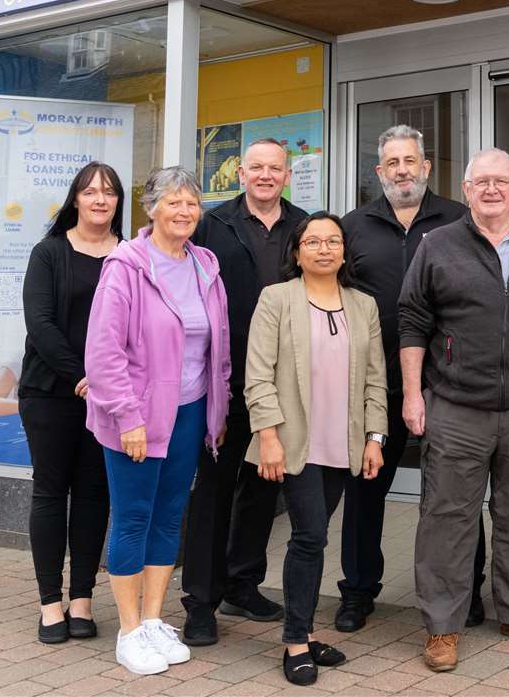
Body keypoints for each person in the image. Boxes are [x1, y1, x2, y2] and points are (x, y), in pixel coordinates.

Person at [398, 148, 509, 673]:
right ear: (467, 189)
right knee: (447, 517)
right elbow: (413, 323)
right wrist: (414, 396)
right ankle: (442, 627)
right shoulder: (438, 246)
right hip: (456, 407)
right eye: (481, 182)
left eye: (502, 181)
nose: (492, 190)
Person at [334, 125, 486, 634]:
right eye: (392, 163)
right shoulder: (353, 226)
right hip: (375, 386)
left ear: (426, 167)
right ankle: (357, 591)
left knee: (454, 494)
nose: (402, 170)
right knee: (364, 493)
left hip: (446, 382)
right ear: (380, 173)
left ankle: (466, 592)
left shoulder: (461, 220)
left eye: (411, 161)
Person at [86, 167, 232, 676]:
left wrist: (218, 409)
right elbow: (103, 354)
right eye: (173, 202)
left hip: (190, 411)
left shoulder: (205, 265)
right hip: (138, 416)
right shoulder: (125, 266)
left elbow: (219, 348)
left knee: (171, 517)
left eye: (192, 202)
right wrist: (127, 416)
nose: (185, 212)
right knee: (133, 517)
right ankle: (128, 630)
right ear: (151, 209)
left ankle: (152, 620)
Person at [246, 213, 387, 686]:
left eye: (333, 241)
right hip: (293, 442)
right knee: (310, 537)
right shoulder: (277, 299)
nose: (323, 248)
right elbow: (258, 374)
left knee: (315, 535)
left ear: (344, 252)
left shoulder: (363, 305)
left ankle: (302, 628)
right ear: (297, 251)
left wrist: (375, 437)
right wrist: (268, 435)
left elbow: (375, 380)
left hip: (343, 443)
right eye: (313, 241)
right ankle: (295, 641)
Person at [179, 138, 310, 644]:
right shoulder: (212, 224)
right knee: (212, 488)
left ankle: (243, 582)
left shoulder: (303, 225)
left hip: (282, 384)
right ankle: (201, 601)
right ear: (241, 174)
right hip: (224, 379)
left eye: (274, 168)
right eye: (255, 167)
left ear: (287, 174)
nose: (264, 175)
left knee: (263, 485)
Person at [18, 161, 122, 644]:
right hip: (52, 394)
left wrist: (109, 384)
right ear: (75, 199)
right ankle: (50, 604)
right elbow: (40, 325)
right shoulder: (49, 253)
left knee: (94, 495)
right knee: (50, 493)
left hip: (111, 398)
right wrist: (84, 376)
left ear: (119, 202)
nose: (100, 200)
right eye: (91, 192)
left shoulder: (131, 256)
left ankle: (82, 598)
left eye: (109, 193)